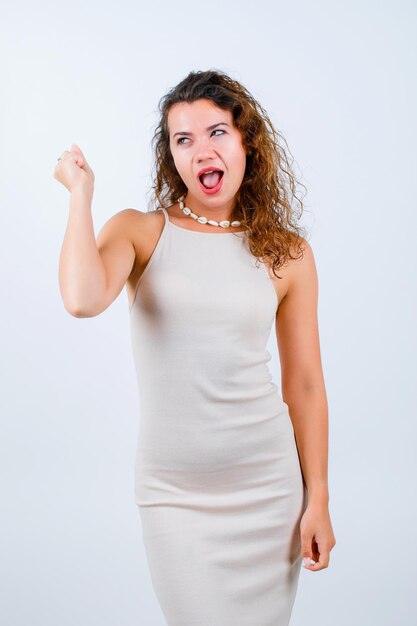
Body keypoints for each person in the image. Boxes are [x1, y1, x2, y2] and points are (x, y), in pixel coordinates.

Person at [54, 69, 336, 626]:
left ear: (246, 141)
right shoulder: (141, 231)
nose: (201, 150)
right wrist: (81, 196)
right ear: (172, 156)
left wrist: (318, 496)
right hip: (175, 495)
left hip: (268, 490)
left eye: (216, 133)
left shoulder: (288, 253)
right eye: (183, 140)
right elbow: (82, 298)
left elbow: (303, 383)